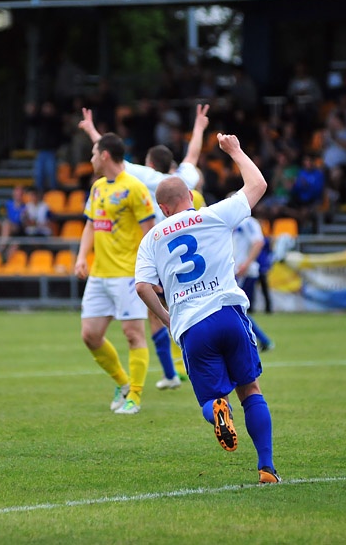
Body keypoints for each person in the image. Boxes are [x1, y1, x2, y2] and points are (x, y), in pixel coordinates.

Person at [134, 132, 280, 484]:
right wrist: (235, 150)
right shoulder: (214, 214)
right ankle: (267, 468)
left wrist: (168, 318)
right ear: (190, 197)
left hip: (191, 324)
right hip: (228, 312)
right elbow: (258, 184)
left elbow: (141, 286)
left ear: (164, 208)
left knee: (212, 397)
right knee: (251, 389)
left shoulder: (152, 238)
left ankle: (217, 410)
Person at [78, 104, 210, 390]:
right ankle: (181, 369)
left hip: (154, 249)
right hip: (185, 251)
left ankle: (171, 373)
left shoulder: (143, 178)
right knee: (178, 311)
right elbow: (193, 154)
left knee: (154, 317)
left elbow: (110, 157)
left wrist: (91, 131)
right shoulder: (184, 179)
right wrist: (199, 127)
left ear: (150, 164)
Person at [75, 132, 156, 415]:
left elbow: (149, 230)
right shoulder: (97, 187)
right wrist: (81, 257)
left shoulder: (135, 188)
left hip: (127, 275)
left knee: (133, 335)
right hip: (100, 274)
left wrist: (150, 270)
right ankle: (123, 383)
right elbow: (90, 224)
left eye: (94, 153)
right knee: (90, 335)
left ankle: (135, 396)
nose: (91, 158)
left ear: (105, 155)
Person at [232, 207, 275, 352]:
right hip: (237, 271)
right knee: (237, 310)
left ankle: (262, 341)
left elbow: (258, 242)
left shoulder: (248, 222)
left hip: (245, 272)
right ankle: (261, 341)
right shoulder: (232, 223)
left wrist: (246, 264)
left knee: (237, 310)